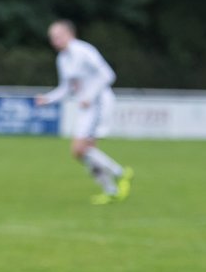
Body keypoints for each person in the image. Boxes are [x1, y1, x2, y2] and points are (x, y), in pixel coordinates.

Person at [34, 20, 132, 205]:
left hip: (100, 103)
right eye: (52, 38)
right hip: (86, 107)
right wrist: (48, 99)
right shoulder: (62, 59)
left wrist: (90, 94)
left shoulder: (84, 51)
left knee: (82, 149)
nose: (54, 41)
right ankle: (112, 188)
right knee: (80, 152)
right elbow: (66, 88)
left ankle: (120, 174)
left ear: (69, 34)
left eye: (57, 36)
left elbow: (108, 74)